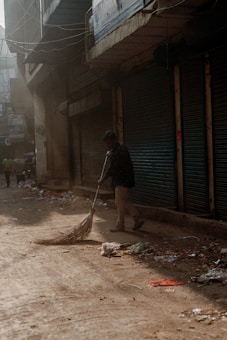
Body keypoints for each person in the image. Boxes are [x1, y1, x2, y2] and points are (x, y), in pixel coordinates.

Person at [98, 130, 144, 232]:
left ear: (114, 140)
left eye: (109, 143)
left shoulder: (119, 151)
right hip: (126, 179)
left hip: (122, 180)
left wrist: (103, 179)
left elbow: (113, 168)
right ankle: (137, 219)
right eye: (106, 143)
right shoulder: (120, 149)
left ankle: (120, 225)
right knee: (125, 200)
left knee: (119, 202)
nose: (107, 145)